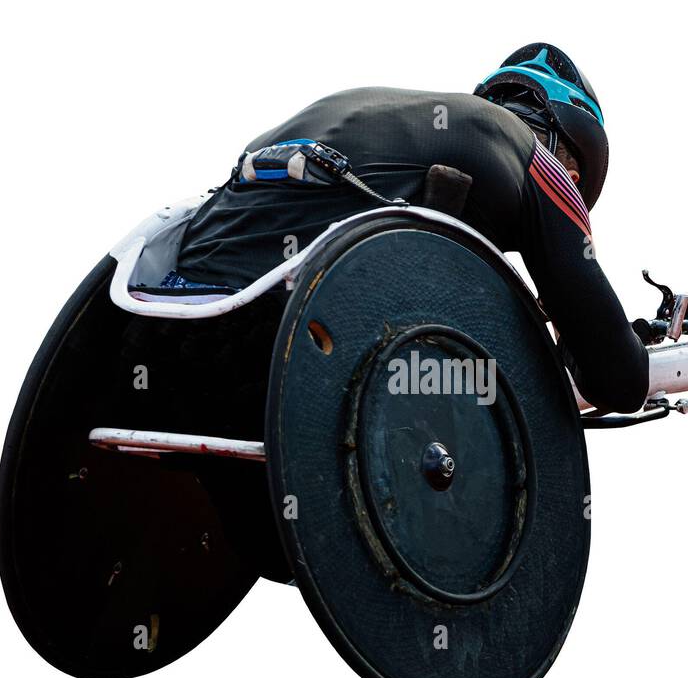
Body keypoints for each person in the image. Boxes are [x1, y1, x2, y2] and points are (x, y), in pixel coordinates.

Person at [175, 42, 650, 413]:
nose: (570, 186)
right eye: (574, 173)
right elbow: (622, 382)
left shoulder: (376, 110)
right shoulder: (530, 153)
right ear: (564, 144)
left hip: (177, 313)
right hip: (300, 338)